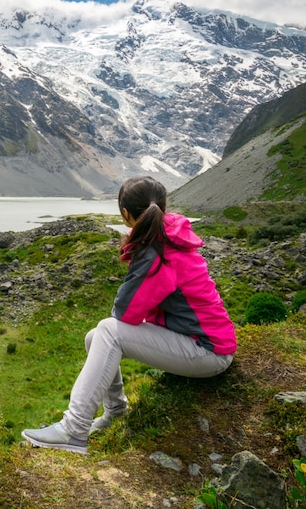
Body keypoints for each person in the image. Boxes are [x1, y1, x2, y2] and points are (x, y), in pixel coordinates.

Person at [22, 175, 237, 455]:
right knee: (96, 336)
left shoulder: (157, 252)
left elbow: (124, 313)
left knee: (109, 330)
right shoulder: (167, 236)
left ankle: (73, 430)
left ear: (125, 214)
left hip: (208, 352)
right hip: (199, 341)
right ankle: (116, 411)